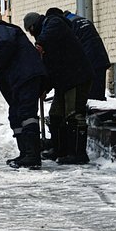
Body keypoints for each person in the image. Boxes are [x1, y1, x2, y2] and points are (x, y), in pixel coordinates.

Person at [0, 18, 47, 169]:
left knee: (26, 114)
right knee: (15, 115)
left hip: (27, 76)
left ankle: (33, 156)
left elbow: (6, 43)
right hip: (20, 78)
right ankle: (25, 153)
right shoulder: (0, 48)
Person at [23, 11, 94, 165]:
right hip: (64, 81)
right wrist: (44, 89)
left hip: (77, 77)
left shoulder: (53, 22)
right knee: (55, 115)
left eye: (30, 30)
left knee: (74, 115)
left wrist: (40, 43)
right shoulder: (49, 40)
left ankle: (78, 154)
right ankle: (60, 149)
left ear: (34, 26)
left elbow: (50, 32)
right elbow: (50, 69)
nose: (31, 34)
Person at [45, 7, 111, 101]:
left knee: (90, 99)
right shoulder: (81, 19)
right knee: (98, 96)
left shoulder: (66, 24)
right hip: (101, 58)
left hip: (88, 63)